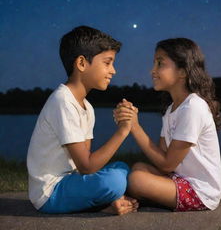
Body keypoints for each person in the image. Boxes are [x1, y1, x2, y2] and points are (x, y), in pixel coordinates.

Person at [27, 26, 138, 215]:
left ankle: (109, 200)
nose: (113, 71)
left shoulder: (87, 107)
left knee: (122, 168)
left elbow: (84, 164)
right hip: (50, 193)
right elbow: (87, 167)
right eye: (107, 62)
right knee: (114, 180)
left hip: (71, 180)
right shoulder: (62, 100)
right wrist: (123, 131)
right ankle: (109, 200)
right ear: (81, 63)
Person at [114, 38, 221, 212]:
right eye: (154, 64)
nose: (152, 71)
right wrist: (129, 119)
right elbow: (161, 158)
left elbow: (166, 165)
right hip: (180, 179)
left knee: (136, 180)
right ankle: (139, 198)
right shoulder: (171, 110)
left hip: (201, 191)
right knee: (138, 168)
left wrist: (135, 127)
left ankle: (136, 199)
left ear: (182, 71)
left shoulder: (193, 107)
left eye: (160, 64)